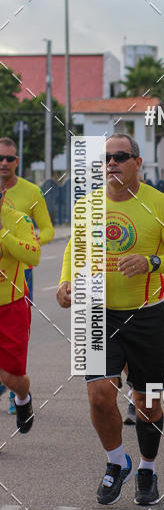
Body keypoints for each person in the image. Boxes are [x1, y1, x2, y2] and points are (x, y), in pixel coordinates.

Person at [56, 134, 164, 506]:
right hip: (97, 312)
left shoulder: (161, 206)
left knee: (147, 402)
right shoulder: (88, 205)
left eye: (120, 156)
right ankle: (117, 461)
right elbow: (74, 247)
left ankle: (147, 468)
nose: (112, 163)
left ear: (138, 162)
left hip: (145, 314)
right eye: (106, 158)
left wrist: (151, 262)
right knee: (100, 395)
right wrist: (66, 281)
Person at [0, 136, 54, 411]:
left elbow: (48, 230)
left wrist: (29, 241)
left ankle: (15, 393)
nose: (4, 163)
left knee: (14, 342)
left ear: (17, 161)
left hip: (21, 273)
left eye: (9, 158)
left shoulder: (31, 192)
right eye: (0, 159)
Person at [0, 189, 40, 436]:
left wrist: (5, 235)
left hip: (11, 307)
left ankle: (23, 399)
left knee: (11, 378)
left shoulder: (19, 220)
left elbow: (33, 256)